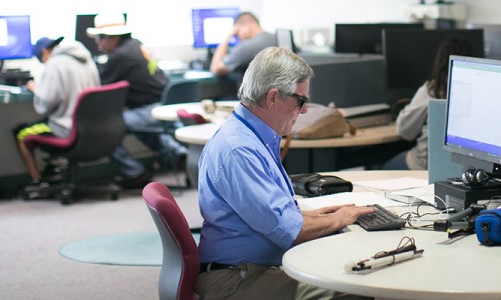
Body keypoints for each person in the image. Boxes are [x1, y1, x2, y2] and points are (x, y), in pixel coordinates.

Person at [195, 47, 374, 299]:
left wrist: (316, 217)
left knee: (351, 269)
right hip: (234, 280)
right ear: (273, 98)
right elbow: (289, 231)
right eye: (300, 101)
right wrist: (340, 218)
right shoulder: (239, 150)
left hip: (248, 269)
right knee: (353, 289)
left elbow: (278, 215)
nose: (303, 111)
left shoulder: (252, 135)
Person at [88, 13, 187, 189]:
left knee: (103, 127)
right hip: (161, 106)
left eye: (101, 38)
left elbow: (98, 85)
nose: (98, 43)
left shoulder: (120, 55)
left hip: (149, 110)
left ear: (114, 37)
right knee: (141, 128)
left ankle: (134, 172)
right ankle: (178, 155)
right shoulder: (137, 45)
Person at [13, 37, 100, 185]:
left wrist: (35, 89)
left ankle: (36, 182)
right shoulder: (86, 57)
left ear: (44, 52)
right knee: (44, 125)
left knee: (21, 134)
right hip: (92, 126)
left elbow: (45, 104)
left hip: (68, 128)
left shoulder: (54, 63)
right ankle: (55, 168)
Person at [384, 39, 476, 170]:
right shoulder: (479, 92)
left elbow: (405, 131)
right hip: (461, 169)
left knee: (385, 167)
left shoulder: (432, 90)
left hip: (425, 166)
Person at [209, 12, 277, 78]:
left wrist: (228, 36)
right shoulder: (275, 37)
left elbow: (215, 69)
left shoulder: (246, 46)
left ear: (247, 25)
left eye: (237, 33)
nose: (238, 38)